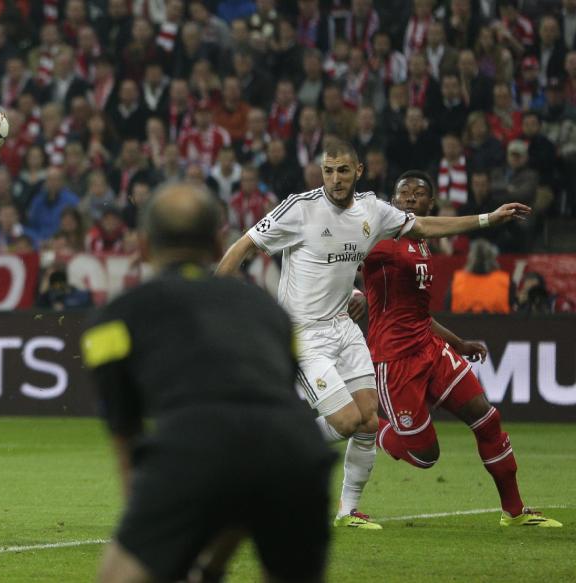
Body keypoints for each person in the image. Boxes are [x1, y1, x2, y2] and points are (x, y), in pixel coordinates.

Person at [215, 137, 531, 529]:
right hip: (305, 334)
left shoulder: (373, 210)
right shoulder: (301, 208)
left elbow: (426, 226)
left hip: (344, 329)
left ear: (358, 171)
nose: (335, 179)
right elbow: (243, 246)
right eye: (328, 171)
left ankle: (348, 511)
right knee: (348, 421)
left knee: (368, 424)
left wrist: (488, 219)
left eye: (343, 170)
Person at [82, 183, 333, 583]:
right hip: (299, 451)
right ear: (219, 246)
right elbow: (254, 443)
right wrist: (212, 567)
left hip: (193, 445)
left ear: (143, 247)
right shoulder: (268, 311)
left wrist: (152, 538)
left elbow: (126, 442)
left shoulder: (114, 321)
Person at [351, 171, 561, 527]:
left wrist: (457, 342)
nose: (410, 199)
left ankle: (514, 511)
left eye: (419, 194)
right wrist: (353, 294)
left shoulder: (421, 242)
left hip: (431, 349)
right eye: (404, 194)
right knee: (425, 455)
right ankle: (372, 428)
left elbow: (418, 313)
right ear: (393, 200)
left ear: (430, 204)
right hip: (395, 360)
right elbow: (340, 264)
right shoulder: (378, 238)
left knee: (487, 419)